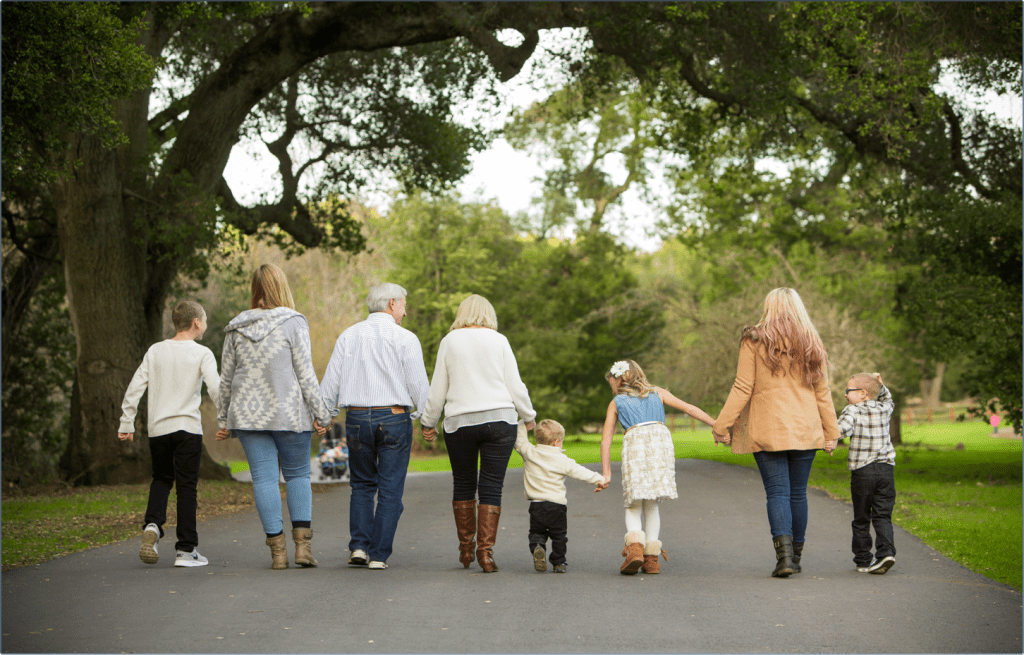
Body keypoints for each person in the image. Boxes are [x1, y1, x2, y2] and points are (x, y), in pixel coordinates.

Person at [712, 287, 841, 578]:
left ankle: (784, 559)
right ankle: (795, 556)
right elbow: (823, 392)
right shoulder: (811, 342)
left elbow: (743, 386)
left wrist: (721, 425)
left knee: (778, 493)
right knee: (798, 493)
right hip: (805, 428)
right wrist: (831, 432)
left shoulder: (754, 340)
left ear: (769, 307)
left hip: (767, 427)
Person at [215, 264, 330, 570]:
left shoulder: (235, 327)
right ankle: (302, 548)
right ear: (282, 287)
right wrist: (321, 414)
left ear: (254, 289)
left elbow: (225, 378)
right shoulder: (293, 322)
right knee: (297, 476)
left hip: (249, 415)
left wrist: (222, 419)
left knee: (264, 480)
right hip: (288, 413)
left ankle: (277, 554)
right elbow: (305, 373)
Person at [420, 294, 536, 573]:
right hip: (500, 420)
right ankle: (486, 554)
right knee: (491, 486)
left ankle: (465, 549)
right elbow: (515, 384)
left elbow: (438, 388)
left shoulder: (450, 341)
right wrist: (529, 415)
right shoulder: (500, 340)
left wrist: (428, 421)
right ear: (489, 314)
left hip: (460, 422)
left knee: (463, 483)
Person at [319, 283, 430, 571]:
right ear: (392, 303)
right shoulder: (406, 338)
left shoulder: (349, 335)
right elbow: (419, 386)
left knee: (362, 485)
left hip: (356, 418)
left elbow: (330, 381)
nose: (405, 311)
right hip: (394, 418)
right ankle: (378, 554)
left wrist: (324, 416)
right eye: (404, 304)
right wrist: (427, 420)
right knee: (391, 489)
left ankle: (359, 546)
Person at [118, 300, 220, 568]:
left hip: (159, 430)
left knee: (161, 479)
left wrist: (126, 423)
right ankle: (186, 551)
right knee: (187, 487)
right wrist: (226, 420)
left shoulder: (155, 351)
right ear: (196, 322)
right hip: (187, 429)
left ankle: (152, 524)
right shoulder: (202, 353)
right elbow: (216, 389)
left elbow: (134, 387)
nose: (205, 324)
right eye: (205, 320)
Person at [601, 359, 716, 575]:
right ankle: (651, 560)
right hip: (660, 447)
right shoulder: (658, 393)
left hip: (635, 446)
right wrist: (716, 425)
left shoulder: (617, 402)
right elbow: (689, 409)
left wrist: (607, 473)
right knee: (652, 505)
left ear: (618, 381)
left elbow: (606, 440)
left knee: (633, 503)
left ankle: (635, 550)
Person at [514, 419, 608, 573]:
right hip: (557, 506)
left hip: (536, 505)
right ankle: (558, 562)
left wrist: (523, 424)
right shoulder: (562, 460)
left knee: (537, 533)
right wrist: (600, 479)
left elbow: (520, 441)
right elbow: (580, 472)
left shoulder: (530, 452)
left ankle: (538, 546)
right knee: (559, 536)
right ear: (557, 442)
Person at [838, 372, 896, 574]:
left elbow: (841, 430)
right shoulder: (885, 408)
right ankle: (886, 553)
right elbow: (887, 397)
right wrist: (881, 383)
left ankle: (863, 560)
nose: (845, 395)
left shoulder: (852, 411)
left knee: (862, 517)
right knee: (882, 515)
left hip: (863, 471)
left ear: (863, 394)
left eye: (848, 391)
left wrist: (825, 438)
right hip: (886, 470)